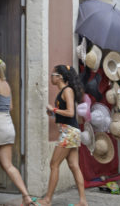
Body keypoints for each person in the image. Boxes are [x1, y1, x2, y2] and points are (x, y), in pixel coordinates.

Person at [37, 65, 88, 206]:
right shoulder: (64, 91)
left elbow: (71, 113)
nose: (51, 77)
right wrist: (54, 113)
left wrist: (53, 109)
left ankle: (47, 200)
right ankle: (83, 201)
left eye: (53, 74)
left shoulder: (67, 91)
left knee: (54, 164)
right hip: (71, 131)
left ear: (59, 77)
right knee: (73, 166)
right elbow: (65, 114)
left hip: (69, 132)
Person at [0, 57, 35, 206]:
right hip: (9, 125)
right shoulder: (7, 85)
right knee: (8, 166)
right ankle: (26, 196)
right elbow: (10, 107)